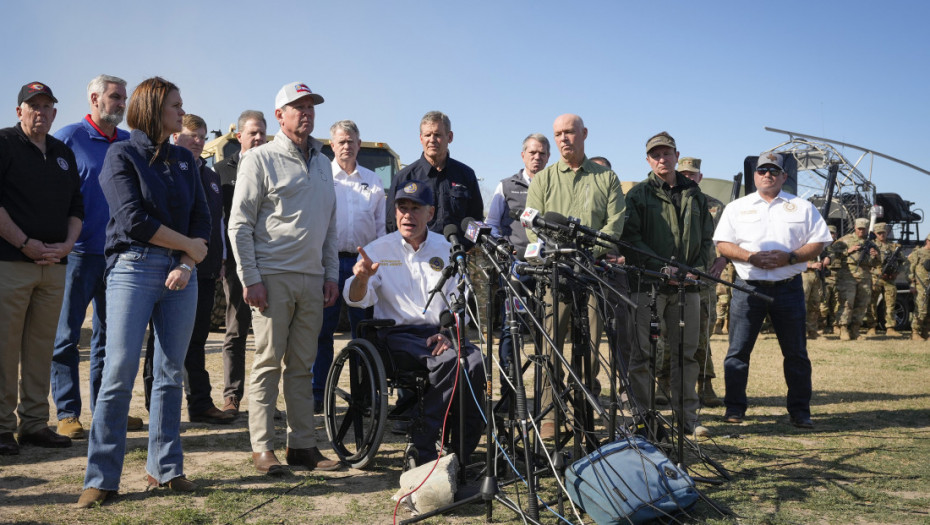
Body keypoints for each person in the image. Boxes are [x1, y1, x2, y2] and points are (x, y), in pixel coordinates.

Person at [79, 77, 211, 507]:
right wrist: (187, 247)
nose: (181, 110)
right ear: (154, 109)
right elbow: (132, 219)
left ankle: (165, 469)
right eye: (176, 104)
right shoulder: (122, 153)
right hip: (133, 268)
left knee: (171, 374)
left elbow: (202, 220)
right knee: (118, 373)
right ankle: (100, 478)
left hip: (182, 274)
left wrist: (189, 261)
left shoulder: (186, 161)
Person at [228, 82, 341, 475]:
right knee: (268, 363)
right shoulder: (258, 159)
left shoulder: (324, 163)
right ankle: (263, 448)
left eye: (310, 106)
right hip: (273, 276)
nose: (306, 113)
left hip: (312, 279)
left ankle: (303, 446)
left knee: (302, 366)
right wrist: (251, 277)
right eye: (298, 107)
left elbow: (329, 227)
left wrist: (329, 274)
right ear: (280, 115)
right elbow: (239, 225)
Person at [345, 180, 486, 465]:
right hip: (395, 336)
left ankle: (460, 450)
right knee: (449, 362)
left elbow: (461, 301)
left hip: (441, 332)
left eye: (415, 208)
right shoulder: (378, 249)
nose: (408, 215)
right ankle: (423, 445)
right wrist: (362, 279)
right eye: (402, 208)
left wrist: (450, 333)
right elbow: (356, 299)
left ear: (430, 213)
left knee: (475, 362)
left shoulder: (447, 248)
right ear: (395, 212)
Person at [524, 114, 626, 439]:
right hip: (554, 276)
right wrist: (558, 253)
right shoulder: (543, 179)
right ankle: (551, 415)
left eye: (569, 132)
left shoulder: (607, 178)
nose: (564, 138)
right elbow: (532, 226)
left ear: (584, 134)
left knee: (591, 349)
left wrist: (586, 252)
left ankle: (583, 409)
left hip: (592, 275)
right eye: (558, 134)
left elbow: (614, 225)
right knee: (550, 345)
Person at [50, 75, 140, 440]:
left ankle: (107, 408)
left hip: (119, 256)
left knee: (110, 338)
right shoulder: (68, 138)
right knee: (67, 336)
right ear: (94, 98)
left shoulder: (128, 142)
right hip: (78, 255)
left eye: (124, 98)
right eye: (115, 97)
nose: (121, 104)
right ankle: (68, 413)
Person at [714, 151, 832, 430]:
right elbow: (722, 244)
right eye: (762, 171)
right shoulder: (736, 207)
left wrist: (790, 257)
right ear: (754, 176)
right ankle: (734, 408)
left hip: (788, 289)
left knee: (796, 354)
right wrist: (750, 257)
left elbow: (819, 243)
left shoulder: (802, 207)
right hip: (747, 288)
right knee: (738, 352)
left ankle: (800, 411)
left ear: (784, 176)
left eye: (774, 171)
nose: (768, 175)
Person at [0, 81, 83, 456]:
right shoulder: (4, 144)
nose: (41, 112)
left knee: (39, 349)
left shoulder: (63, 152)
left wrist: (67, 245)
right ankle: (2, 427)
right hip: (12, 263)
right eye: (33, 106)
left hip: (55, 265)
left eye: (48, 106)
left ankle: (33, 424)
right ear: (19, 111)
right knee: (4, 349)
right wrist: (24, 243)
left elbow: (76, 208)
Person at [621, 133, 714, 438]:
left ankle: (687, 417)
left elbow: (705, 242)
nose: (662, 159)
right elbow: (630, 239)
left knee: (686, 354)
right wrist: (661, 268)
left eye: (667, 153)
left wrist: (695, 270)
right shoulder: (638, 196)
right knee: (643, 355)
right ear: (648, 160)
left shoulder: (696, 195)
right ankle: (644, 418)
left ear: (677, 155)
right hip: (648, 286)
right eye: (655, 155)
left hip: (687, 287)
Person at [141, 114, 233, 424]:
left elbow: (215, 222)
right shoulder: (166, 170)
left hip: (205, 270)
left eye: (203, 136)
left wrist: (218, 259)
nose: (199, 140)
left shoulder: (209, 177)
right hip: (173, 268)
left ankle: (200, 403)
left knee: (197, 339)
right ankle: (156, 407)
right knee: (161, 340)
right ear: (176, 135)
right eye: (193, 134)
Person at [312, 119, 385, 413]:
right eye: (340, 141)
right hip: (327, 263)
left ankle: (363, 397)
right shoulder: (319, 176)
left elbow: (380, 229)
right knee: (321, 332)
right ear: (332, 145)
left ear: (359, 143)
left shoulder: (374, 181)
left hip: (361, 266)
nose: (346, 146)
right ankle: (317, 394)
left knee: (363, 334)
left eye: (351, 141)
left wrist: (377, 267)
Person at [485, 133, 550, 392]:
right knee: (511, 327)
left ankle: (545, 394)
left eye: (542, 153)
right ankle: (510, 391)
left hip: (548, 269)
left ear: (548, 157)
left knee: (548, 330)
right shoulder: (506, 186)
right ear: (523, 155)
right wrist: (505, 250)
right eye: (532, 152)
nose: (537, 157)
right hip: (517, 270)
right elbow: (491, 225)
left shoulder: (553, 183)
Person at [213, 110, 267, 416]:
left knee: (268, 334)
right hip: (235, 263)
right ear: (239, 137)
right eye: (253, 133)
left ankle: (264, 400)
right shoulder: (222, 172)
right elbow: (220, 221)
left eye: (262, 133)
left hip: (270, 260)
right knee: (236, 329)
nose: (258, 138)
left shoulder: (275, 167)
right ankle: (232, 396)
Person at [386, 111, 483, 233]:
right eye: (427, 135)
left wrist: (466, 248)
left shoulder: (466, 175)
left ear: (450, 137)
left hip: (456, 250)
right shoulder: (404, 178)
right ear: (421, 139)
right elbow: (391, 222)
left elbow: (476, 219)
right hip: (417, 251)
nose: (432, 140)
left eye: (437, 134)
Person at [829, 218, 880, 340]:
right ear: (855, 228)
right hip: (848, 276)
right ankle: (843, 329)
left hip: (865, 276)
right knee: (847, 303)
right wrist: (848, 251)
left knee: (862, 304)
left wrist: (876, 255)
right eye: (859, 229)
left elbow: (878, 262)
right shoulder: (845, 240)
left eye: (864, 229)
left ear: (867, 229)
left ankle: (855, 330)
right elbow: (832, 255)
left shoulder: (872, 243)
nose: (861, 231)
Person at [865, 222, 902, 337]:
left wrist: (896, 272)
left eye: (883, 233)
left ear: (887, 233)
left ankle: (890, 328)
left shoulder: (894, 247)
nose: (882, 235)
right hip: (875, 278)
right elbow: (867, 263)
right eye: (879, 233)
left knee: (890, 304)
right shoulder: (871, 246)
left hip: (890, 280)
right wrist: (877, 270)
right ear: (875, 233)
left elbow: (903, 262)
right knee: (872, 304)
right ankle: (872, 327)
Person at [907, 234, 930, 341]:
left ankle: (925, 332)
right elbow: (910, 270)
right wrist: (912, 284)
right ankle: (915, 332)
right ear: (927, 241)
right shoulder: (918, 253)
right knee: (921, 309)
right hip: (921, 285)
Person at [819, 225, 840, 334]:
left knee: (836, 303)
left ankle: (835, 326)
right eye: (829, 233)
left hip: (837, 277)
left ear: (836, 234)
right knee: (823, 303)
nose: (831, 235)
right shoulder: (820, 246)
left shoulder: (840, 245)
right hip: (825, 278)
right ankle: (822, 326)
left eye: (832, 233)